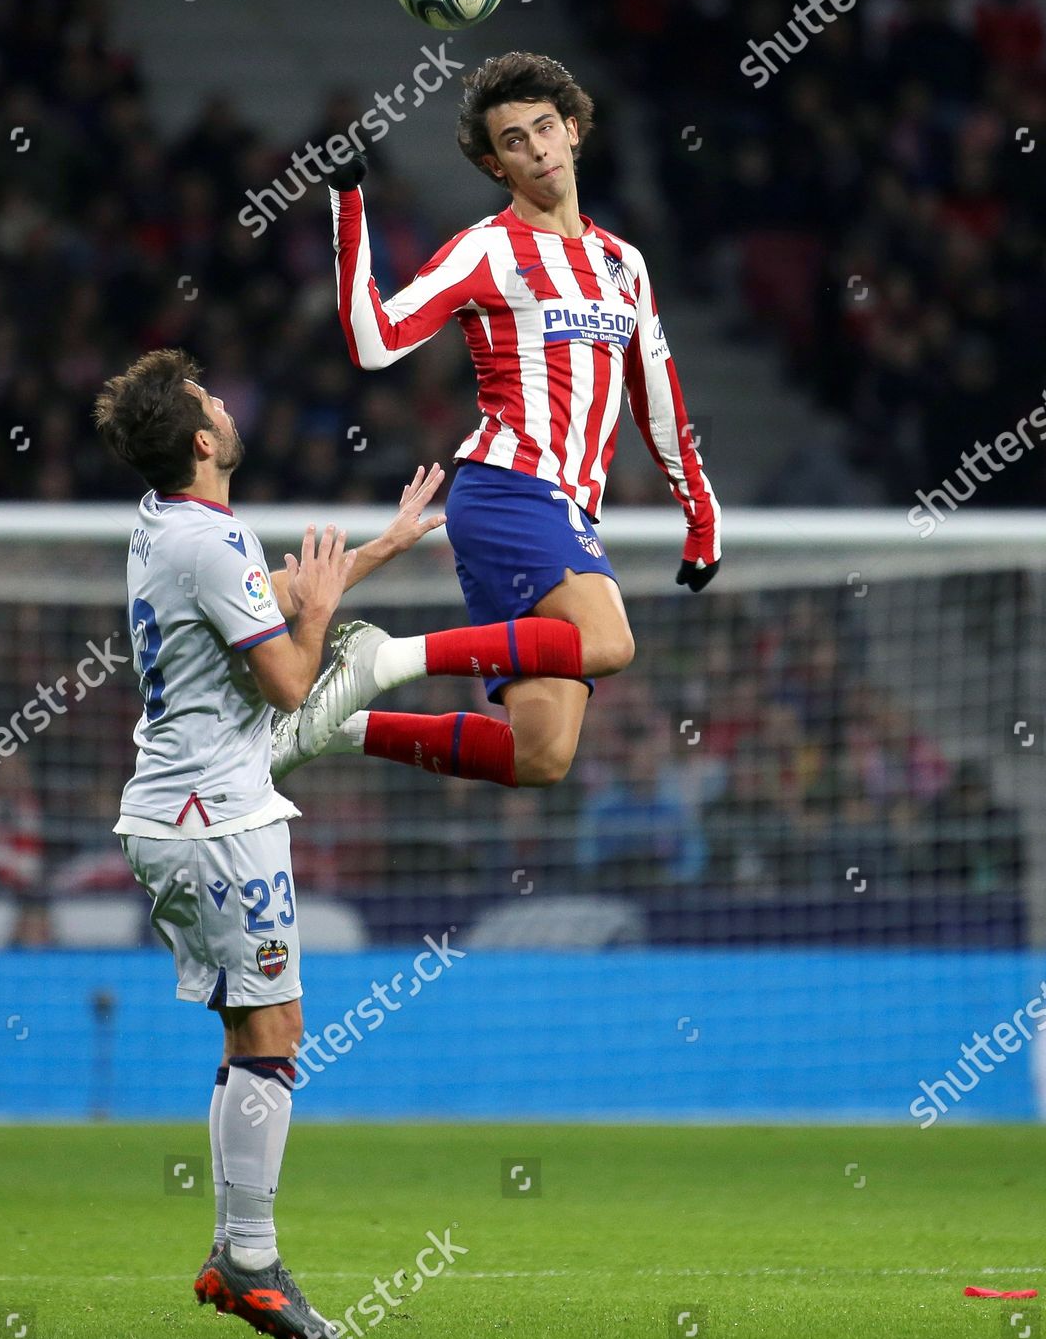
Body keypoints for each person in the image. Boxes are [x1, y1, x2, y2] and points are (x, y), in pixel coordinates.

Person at [92, 348, 583, 1339]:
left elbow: (270, 598)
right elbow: (284, 676)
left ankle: (243, 1255)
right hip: (218, 822)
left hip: (177, 812)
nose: (226, 401)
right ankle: (248, 1260)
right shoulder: (214, 541)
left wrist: (378, 552)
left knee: (254, 1034)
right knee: (273, 1036)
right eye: (209, 398)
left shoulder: (165, 528)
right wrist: (322, 623)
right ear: (201, 440)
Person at [272, 51, 720, 791]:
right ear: (495, 165)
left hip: (557, 506)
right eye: (514, 141)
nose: (537, 148)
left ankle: (331, 731)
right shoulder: (488, 248)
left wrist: (700, 514)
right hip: (512, 488)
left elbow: (657, 395)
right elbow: (375, 341)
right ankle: (383, 660)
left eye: (545, 128)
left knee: (539, 757)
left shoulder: (623, 264)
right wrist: (349, 204)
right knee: (607, 642)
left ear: (574, 132)